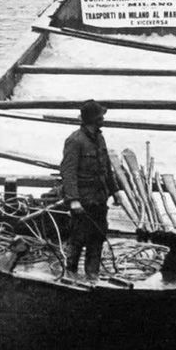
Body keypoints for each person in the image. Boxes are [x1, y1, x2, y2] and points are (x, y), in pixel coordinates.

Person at [59, 100, 116, 279]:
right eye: (101, 116)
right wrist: (74, 199)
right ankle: (71, 273)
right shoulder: (75, 141)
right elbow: (68, 172)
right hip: (83, 201)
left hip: (99, 199)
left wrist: (115, 191)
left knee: (97, 238)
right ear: (93, 119)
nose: (103, 119)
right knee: (77, 238)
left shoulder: (100, 138)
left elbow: (106, 166)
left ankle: (92, 275)